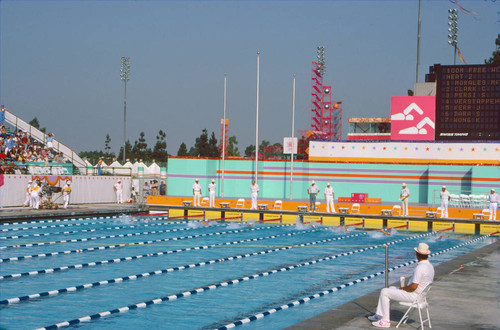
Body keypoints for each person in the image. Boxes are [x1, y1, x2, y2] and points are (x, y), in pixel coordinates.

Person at [369, 242, 434, 328]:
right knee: (391, 288)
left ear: (417, 254)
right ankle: (379, 314)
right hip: (422, 296)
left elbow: (413, 287)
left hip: (414, 296)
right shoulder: (430, 266)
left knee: (384, 291)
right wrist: (402, 288)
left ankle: (385, 321)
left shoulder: (420, 268)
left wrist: (403, 288)